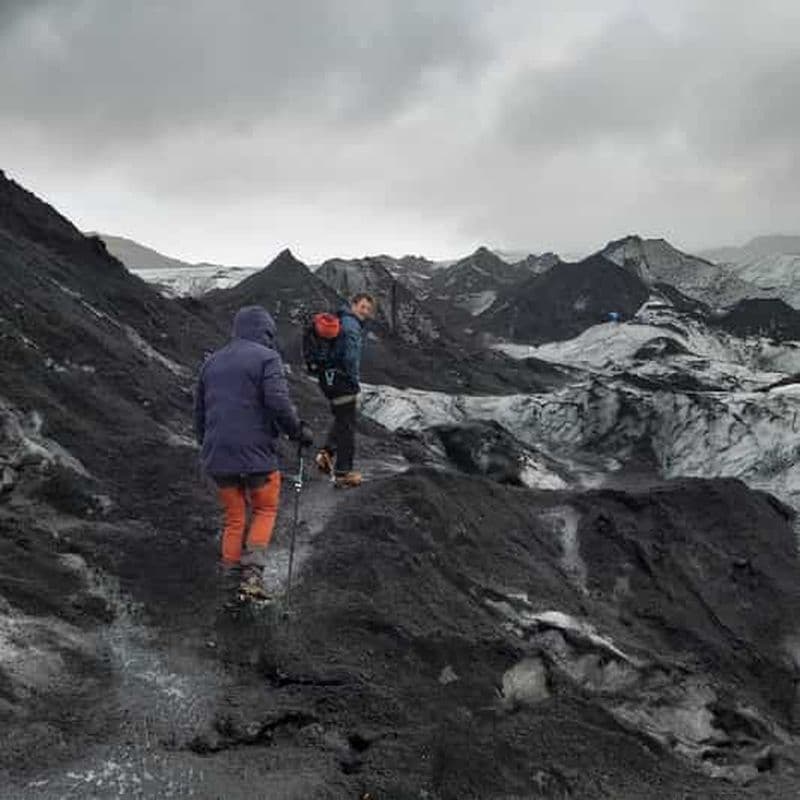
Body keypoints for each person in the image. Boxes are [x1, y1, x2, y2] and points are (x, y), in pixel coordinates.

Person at [194, 305, 313, 598]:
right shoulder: (267, 357)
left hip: (218, 456)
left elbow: (199, 413)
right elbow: (277, 401)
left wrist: (209, 446)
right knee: (265, 507)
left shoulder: (211, 363)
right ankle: (252, 577)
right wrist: (298, 431)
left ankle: (229, 578)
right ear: (266, 331)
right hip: (257, 454)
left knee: (235, 516)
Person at [314, 293, 376, 487]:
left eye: (368, 308)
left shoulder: (342, 321)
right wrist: (354, 380)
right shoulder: (351, 326)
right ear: (353, 305)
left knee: (343, 419)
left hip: (330, 378)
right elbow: (351, 358)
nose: (365, 311)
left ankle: (326, 454)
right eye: (362, 307)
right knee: (348, 426)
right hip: (342, 380)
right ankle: (343, 473)